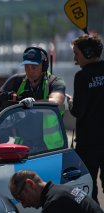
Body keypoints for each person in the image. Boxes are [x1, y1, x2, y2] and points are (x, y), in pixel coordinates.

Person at [66, 33, 104, 204]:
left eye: (77, 53)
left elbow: (78, 111)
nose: (75, 58)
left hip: (89, 143)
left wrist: (71, 102)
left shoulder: (81, 77)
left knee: (89, 186)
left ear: (88, 53)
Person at [0, 46, 66, 113]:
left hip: (47, 132)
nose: (30, 71)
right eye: (27, 67)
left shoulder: (55, 82)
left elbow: (56, 102)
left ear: (44, 66)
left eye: (34, 67)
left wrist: (30, 104)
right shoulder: (16, 80)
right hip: (22, 132)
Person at [8, 170, 103, 213]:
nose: (24, 205)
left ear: (30, 184)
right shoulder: (60, 191)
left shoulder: (54, 203)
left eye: (21, 199)